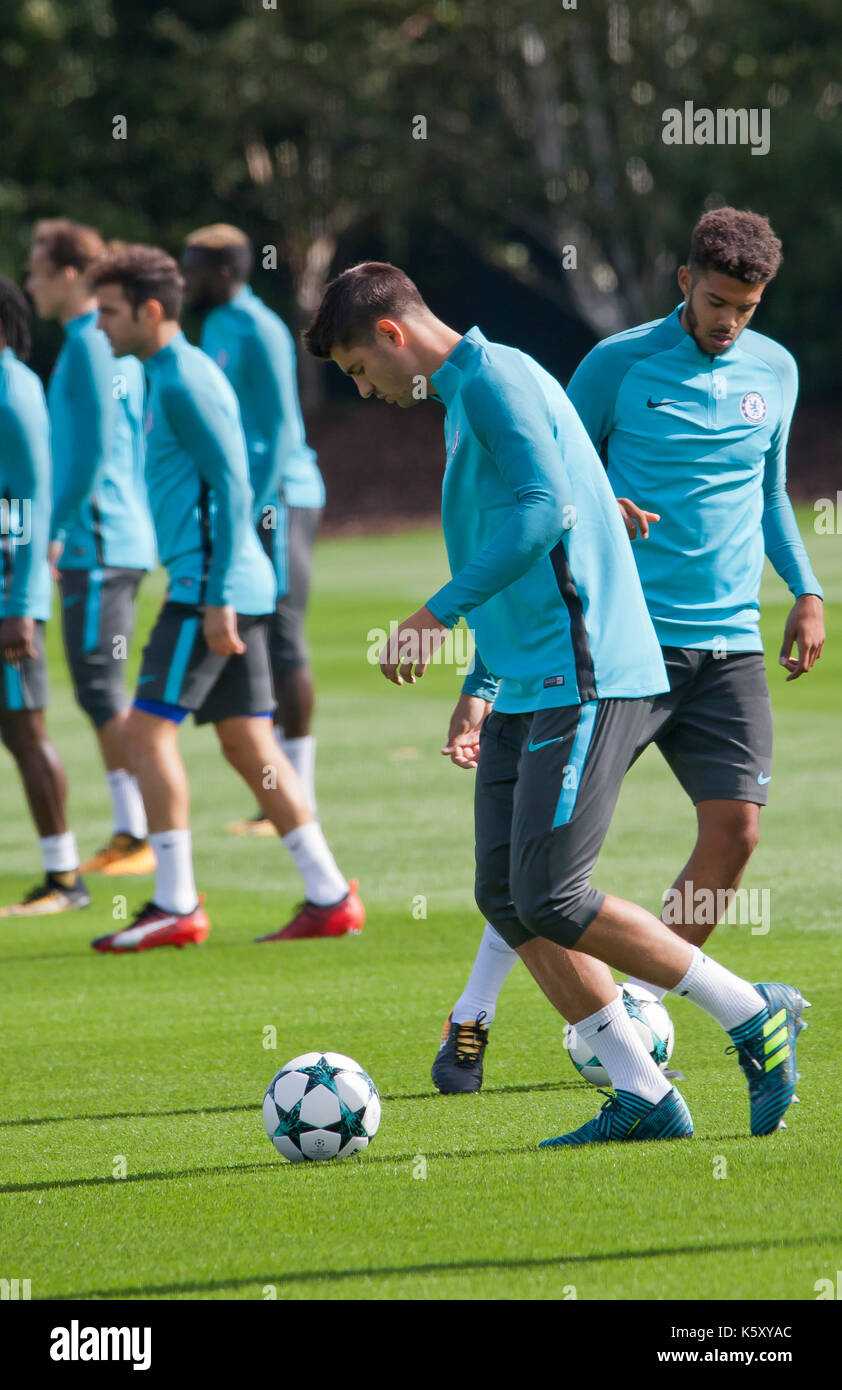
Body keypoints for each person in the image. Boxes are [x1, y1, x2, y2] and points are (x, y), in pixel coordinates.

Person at [305, 260, 806, 1144]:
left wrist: (434, 615)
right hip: (528, 676)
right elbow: (576, 502)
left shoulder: (496, 379)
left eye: (356, 370)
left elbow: (544, 517)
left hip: (583, 671)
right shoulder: (473, 392)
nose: (366, 390)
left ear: (390, 335)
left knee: (552, 891)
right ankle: (643, 1092)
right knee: (506, 893)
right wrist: (479, 681)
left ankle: (747, 1012)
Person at [428, 207, 825, 1095]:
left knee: (736, 833)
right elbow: (549, 500)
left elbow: (771, 491)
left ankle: (643, 1008)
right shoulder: (615, 367)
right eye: (717, 300)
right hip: (620, 652)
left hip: (729, 649)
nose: (730, 322)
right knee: (547, 865)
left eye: (748, 308)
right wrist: (485, 677)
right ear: (684, 280)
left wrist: (805, 590)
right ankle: (479, 1011)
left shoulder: (777, 371)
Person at [89, 245, 363, 951]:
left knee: (144, 733)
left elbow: (235, 483)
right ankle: (329, 893)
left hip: (211, 588)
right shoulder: (162, 372)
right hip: (229, 584)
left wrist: (211, 600)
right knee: (247, 740)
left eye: (110, 312)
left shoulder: (181, 378)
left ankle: (175, 902)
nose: (100, 326)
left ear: (151, 311)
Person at [181, 224, 325, 831]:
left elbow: (284, 428)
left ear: (221, 271)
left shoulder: (261, 327)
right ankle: (276, 794)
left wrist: (249, 505)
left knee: (285, 633)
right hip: (248, 499)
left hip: (281, 495)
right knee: (261, 633)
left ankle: (299, 792)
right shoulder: (212, 325)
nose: (182, 279)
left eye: (190, 268)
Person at [26, 219, 157, 877]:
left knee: (103, 687)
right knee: (99, 686)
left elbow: (91, 451)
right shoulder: (106, 344)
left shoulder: (88, 344)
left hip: (98, 539)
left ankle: (137, 832)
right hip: (107, 537)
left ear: (71, 275)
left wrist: (54, 527)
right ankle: (134, 827)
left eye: (38, 271)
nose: (29, 283)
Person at [0, 275, 89, 916]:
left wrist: (23, 607)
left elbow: (30, 505)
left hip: (8, 594)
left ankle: (65, 877)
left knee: (25, 730)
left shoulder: (15, 390)